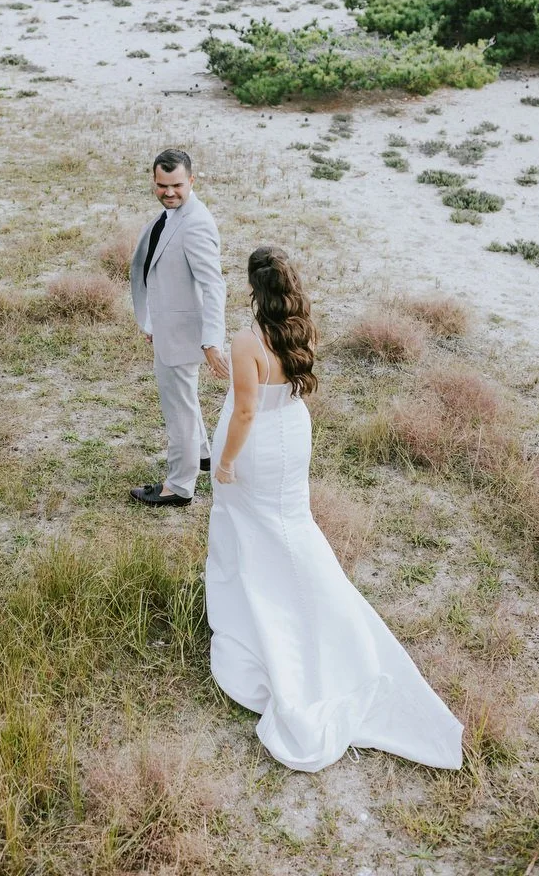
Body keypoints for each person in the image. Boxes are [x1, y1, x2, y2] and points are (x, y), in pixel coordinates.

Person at [206, 245, 463, 772]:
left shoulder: (246, 339)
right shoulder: (300, 327)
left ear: (252, 288)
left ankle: (278, 616)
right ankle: (295, 601)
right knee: (289, 527)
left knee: (258, 531)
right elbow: (270, 390)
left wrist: (226, 462)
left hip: (256, 444)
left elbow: (247, 410)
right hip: (293, 432)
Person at [129, 149, 228, 507]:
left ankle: (179, 486)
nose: (168, 193)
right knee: (184, 401)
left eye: (176, 186)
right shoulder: (172, 213)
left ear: (192, 180)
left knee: (179, 411)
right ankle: (201, 455)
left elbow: (214, 285)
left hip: (185, 334)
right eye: (161, 186)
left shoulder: (196, 223)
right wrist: (154, 318)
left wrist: (212, 341)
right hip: (168, 326)